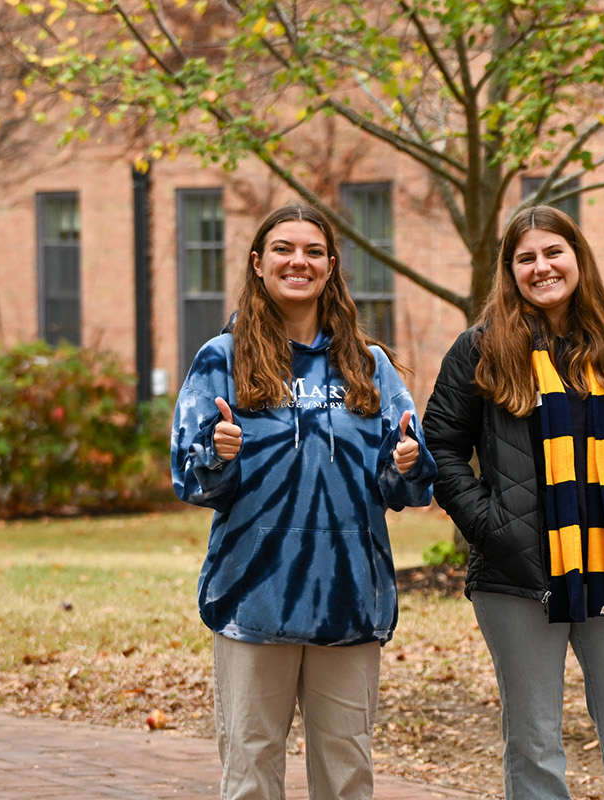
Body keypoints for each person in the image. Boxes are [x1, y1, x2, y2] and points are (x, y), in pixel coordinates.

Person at [171, 202, 436, 800]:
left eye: (313, 251)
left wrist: (406, 464)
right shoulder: (222, 358)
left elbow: (407, 482)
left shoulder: (367, 365)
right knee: (250, 774)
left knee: (347, 777)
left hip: (350, 600)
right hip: (251, 599)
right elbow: (190, 478)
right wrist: (218, 453)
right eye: (285, 249)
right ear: (258, 264)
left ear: (331, 266)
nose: (300, 261)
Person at [423, 205, 604, 800]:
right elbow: (441, 446)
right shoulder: (481, 348)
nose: (542, 268)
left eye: (553, 253)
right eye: (526, 258)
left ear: (577, 258)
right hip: (518, 578)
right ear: (510, 270)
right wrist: (496, 529)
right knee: (534, 744)